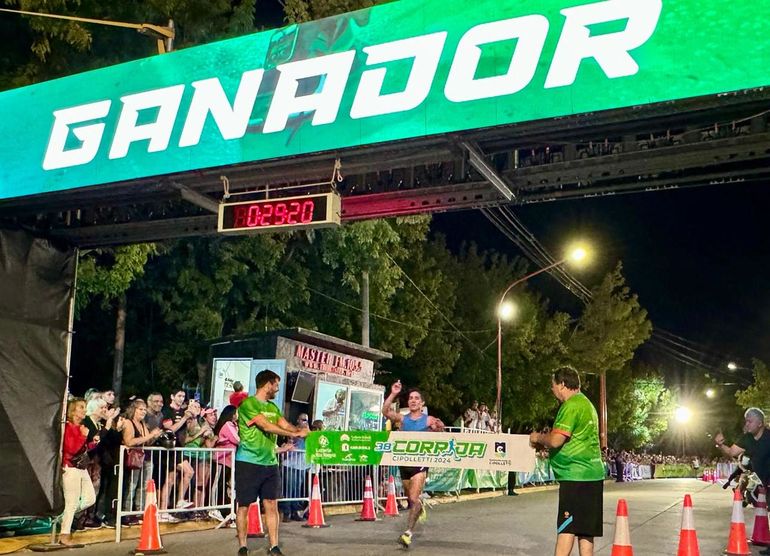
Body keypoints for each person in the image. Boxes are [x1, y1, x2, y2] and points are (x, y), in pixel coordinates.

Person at [530, 366, 604, 556]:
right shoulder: (587, 404)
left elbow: (556, 440)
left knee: (567, 527)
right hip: (593, 475)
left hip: (575, 477)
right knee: (586, 531)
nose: (552, 390)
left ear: (562, 384)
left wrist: (538, 438)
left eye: (553, 386)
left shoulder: (571, 406)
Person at [235, 370, 308, 556]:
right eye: (275, 384)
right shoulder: (248, 404)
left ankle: (274, 546)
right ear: (267, 384)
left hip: (270, 463)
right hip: (248, 462)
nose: (277, 388)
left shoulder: (273, 407)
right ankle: (243, 546)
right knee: (244, 505)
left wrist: (300, 430)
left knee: (271, 504)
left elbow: (284, 425)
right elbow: (265, 425)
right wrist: (294, 434)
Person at [381, 380, 444, 549]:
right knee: (412, 500)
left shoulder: (428, 419)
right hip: (404, 464)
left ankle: (408, 533)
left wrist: (439, 427)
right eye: (410, 398)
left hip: (420, 464)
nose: (413, 400)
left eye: (417, 398)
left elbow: (441, 433)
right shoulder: (402, 419)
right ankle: (419, 508)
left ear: (422, 403)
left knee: (414, 498)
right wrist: (394, 393)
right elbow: (385, 411)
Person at [59, 399, 98, 546]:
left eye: (85, 407)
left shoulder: (81, 427)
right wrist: (83, 435)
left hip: (81, 467)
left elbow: (82, 448)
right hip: (70, 468)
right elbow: (71, 449)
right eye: (81, 407)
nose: (84, 410)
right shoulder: (68, 427)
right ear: (73, 411)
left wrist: (92, 442)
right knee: (72, 502)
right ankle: (64, 534)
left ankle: (62, 517)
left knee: (89, 498)